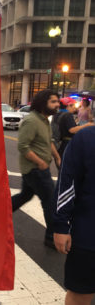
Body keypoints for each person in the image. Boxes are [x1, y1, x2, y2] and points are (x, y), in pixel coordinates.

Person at [11, 89, 61, 248]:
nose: (57, 104)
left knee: (25, 195)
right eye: (53, 101)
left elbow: (49, 140)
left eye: (57, 101)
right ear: (42, 103)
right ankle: (51, 238)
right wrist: (40, 162)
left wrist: (57, 156)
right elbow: (23, 146)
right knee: (50, 202)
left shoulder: (45, 120)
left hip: (37, 169)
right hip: (36, 170)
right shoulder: (31, 121)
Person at [53, 126, 95, 305]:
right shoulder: (86, 138)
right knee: (80, 294)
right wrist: (61, 225)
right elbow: (67, 183)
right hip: (89, 236)